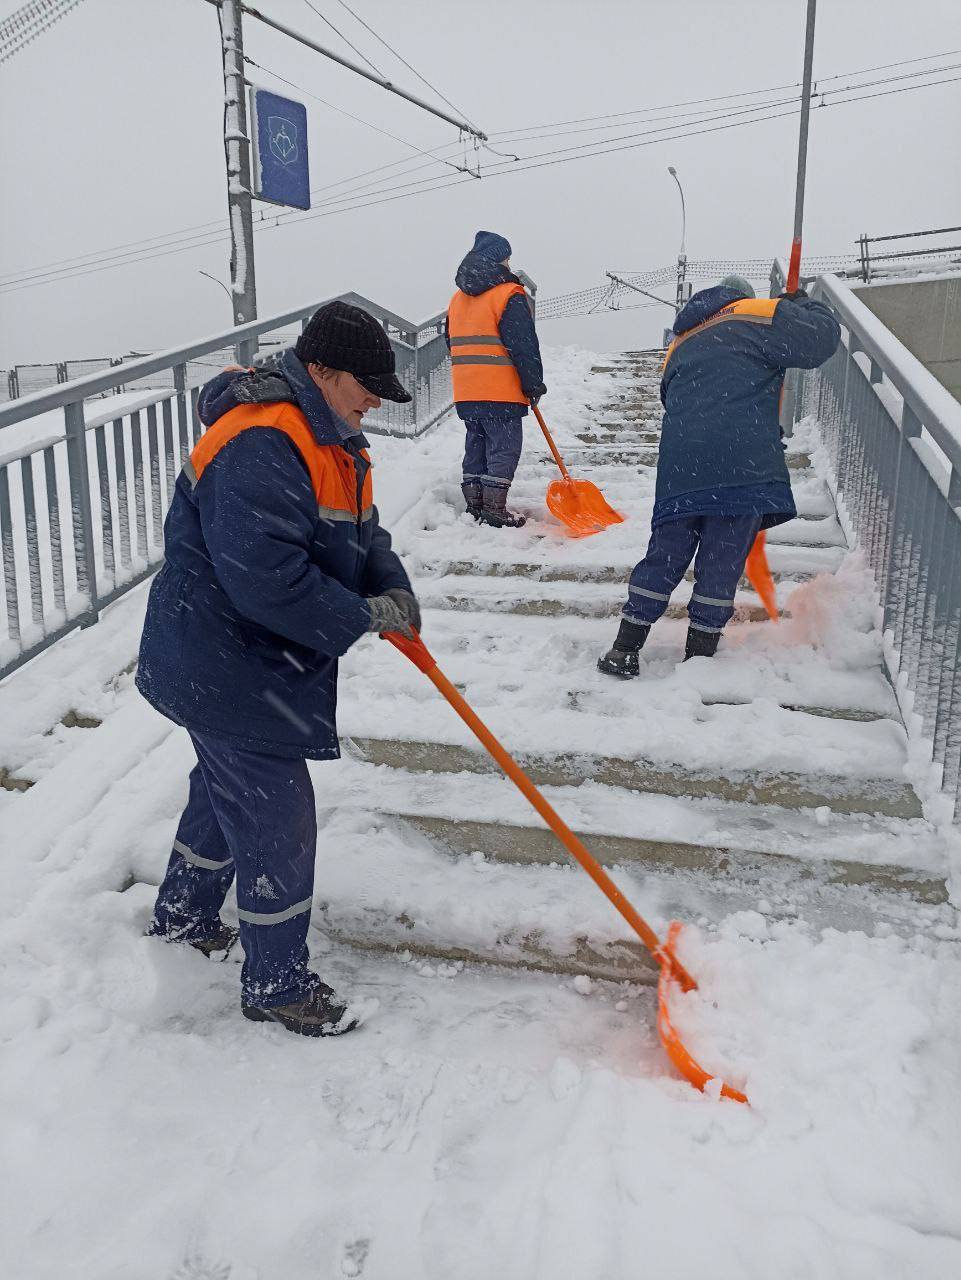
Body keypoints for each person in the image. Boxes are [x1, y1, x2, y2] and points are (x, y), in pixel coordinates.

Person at [137, 300, 420, 1036]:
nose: (374, 402)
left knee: (227, 791)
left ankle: (182, 917)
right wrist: (360, 617)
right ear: (321, 370)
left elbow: (359, 526)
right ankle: (275, 984)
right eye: (365, 385)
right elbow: (264, 578)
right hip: (225, 656)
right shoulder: (263, 439)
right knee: (274, 816)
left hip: (245, 659)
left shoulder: (327, 433)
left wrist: (390, 586)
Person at [598, 274, 840, 676]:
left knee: (664, 557)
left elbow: (673, 399)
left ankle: (624, 649)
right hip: (739, 465)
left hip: (681, 468)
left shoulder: (681, 342)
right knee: (721, 561)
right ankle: (698, 659)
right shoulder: (758, 314)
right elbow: (819, 340)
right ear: (742, 298)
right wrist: (801, 305)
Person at [446, 230, 546, 528]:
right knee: (504, 446)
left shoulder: (457, 299)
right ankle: (494, 508)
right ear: (499, 260)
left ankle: (475, 504)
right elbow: (523, 345)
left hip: (466, 389)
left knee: (475, 444)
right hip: (500, 388)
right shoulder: (508, 294)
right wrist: (533, 384)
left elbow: (449, 341)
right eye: (507, 259)